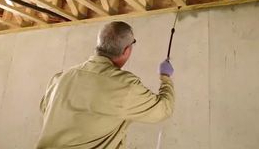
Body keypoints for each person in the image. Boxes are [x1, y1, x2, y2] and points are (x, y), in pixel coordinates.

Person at [36, 21, 175, 149]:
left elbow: (45, 108)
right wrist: (165, 78)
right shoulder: (125, 87)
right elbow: (164, 109)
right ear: (126, 50)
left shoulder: (60, 78)